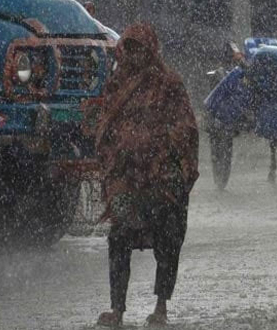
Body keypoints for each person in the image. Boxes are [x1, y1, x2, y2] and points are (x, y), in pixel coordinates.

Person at [95, 23, 199, 327]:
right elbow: (105, 126)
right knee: (119, 236)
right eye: (131, 49)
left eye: (141, 48)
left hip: (162, 179)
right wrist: (120, 154)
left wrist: (160, 149)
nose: (136, 55)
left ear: (150, 50)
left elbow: (186, 127)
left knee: (168, 238)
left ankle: (161, 306)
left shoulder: (168, 83)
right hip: (127, 178)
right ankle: (117, 308)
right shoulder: (116, 85)